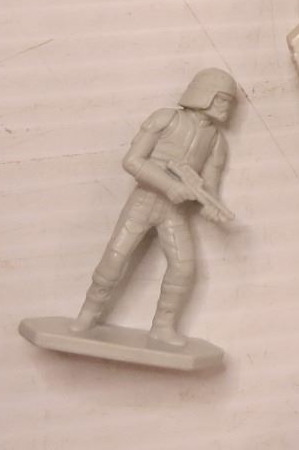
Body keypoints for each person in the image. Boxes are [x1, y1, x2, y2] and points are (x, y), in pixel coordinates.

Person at [70, 68, 236, 347]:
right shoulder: (166, 119)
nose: (225, 107)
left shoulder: (216, 141)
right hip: (144, 201)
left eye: (228, 102)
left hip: (174, 212)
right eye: (221, 99)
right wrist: (169, 186)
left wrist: (211, 207)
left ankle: (162, 327)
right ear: (205, 94)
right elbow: (133, 160)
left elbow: (208, 186)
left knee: (183, 268)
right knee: (114, 259)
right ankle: (87, 315)